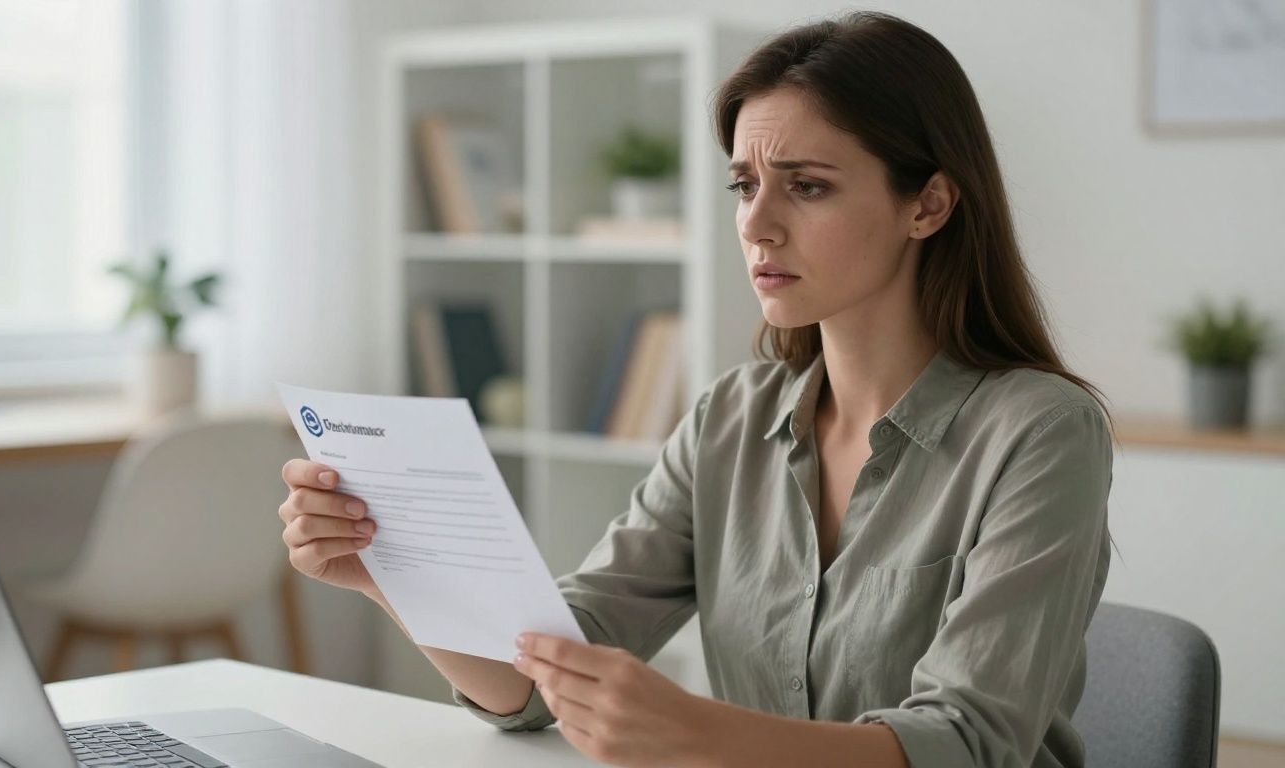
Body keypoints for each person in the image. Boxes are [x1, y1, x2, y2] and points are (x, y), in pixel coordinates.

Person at [277, 11, 1116, 768]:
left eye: (808, 185)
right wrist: (384, 569)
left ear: (927, 204)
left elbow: (967, 744)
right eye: (745, 186)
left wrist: (694, 734)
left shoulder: (1041, 432)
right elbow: (540, 679)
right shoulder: (729, 417)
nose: (756, 223)